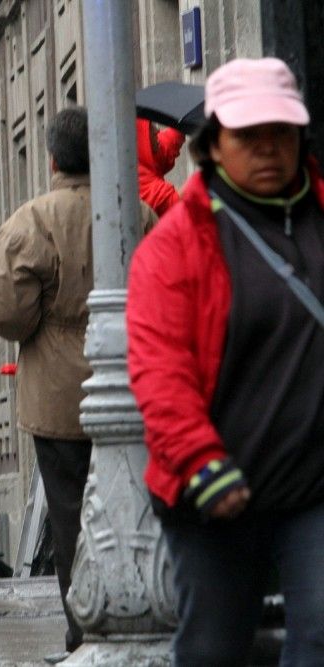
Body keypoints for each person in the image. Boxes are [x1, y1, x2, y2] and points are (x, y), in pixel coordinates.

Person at [126, 57, 324, 665]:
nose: (268, 149)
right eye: (248, 136)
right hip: (213, 490)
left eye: (281, 134)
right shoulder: (176, 244)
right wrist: (200, 461)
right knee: (215, 648)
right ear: (212, 146)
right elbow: (160, 370)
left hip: (313, 486)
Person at [0, 107, 156, 661]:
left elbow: (4, 306)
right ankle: (144, 610)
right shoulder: (138, 212)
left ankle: (82, 632)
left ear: (53, 159)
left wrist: (41, 323)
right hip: (132, 379)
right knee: (140, 504)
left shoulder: (33, 219)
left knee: (68, 514)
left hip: (57, 392)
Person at [136, 118, 186, 216]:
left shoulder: (143, 152)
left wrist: (184, 122)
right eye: (150, 127)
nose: (157, 130)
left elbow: (166, 145)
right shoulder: (135, 177)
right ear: (139, 137)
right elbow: (173, 202)